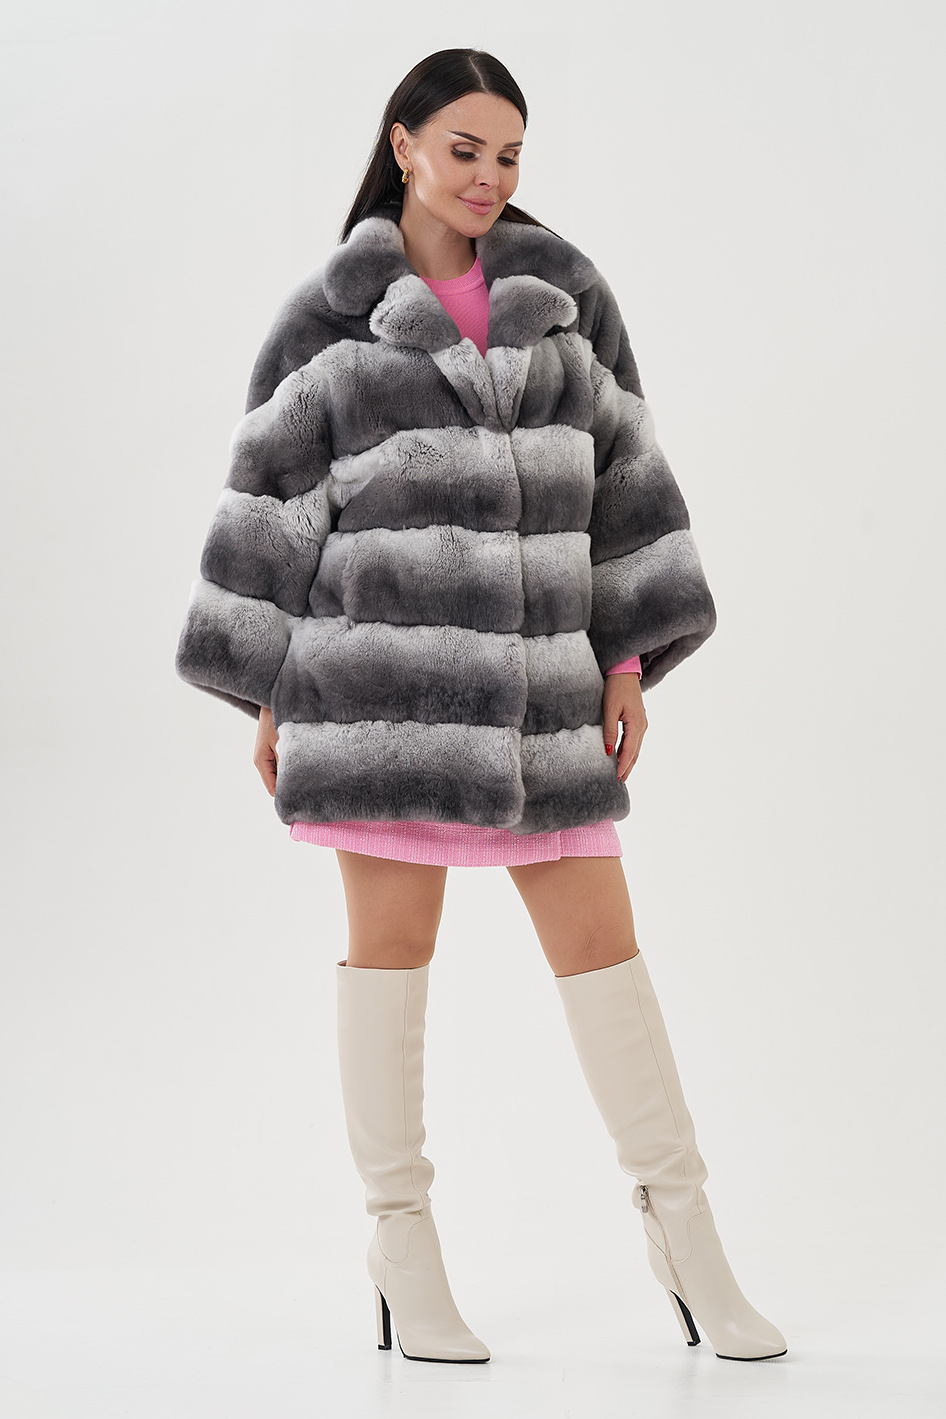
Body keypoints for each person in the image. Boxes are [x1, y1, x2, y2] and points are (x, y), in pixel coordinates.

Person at [175, 47, 786, 1365]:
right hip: (376, 701)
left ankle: (691, 1248)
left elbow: (628, 481)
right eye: (464, 149)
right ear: (402, 144)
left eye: (508, 155)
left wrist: (624, 663)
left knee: (606, 953)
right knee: (389, 959)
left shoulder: (568, 301)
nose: (488, 177)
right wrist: (268, 688)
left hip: (545, 703)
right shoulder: (328, 319)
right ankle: (402, 1253)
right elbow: (271, 509)